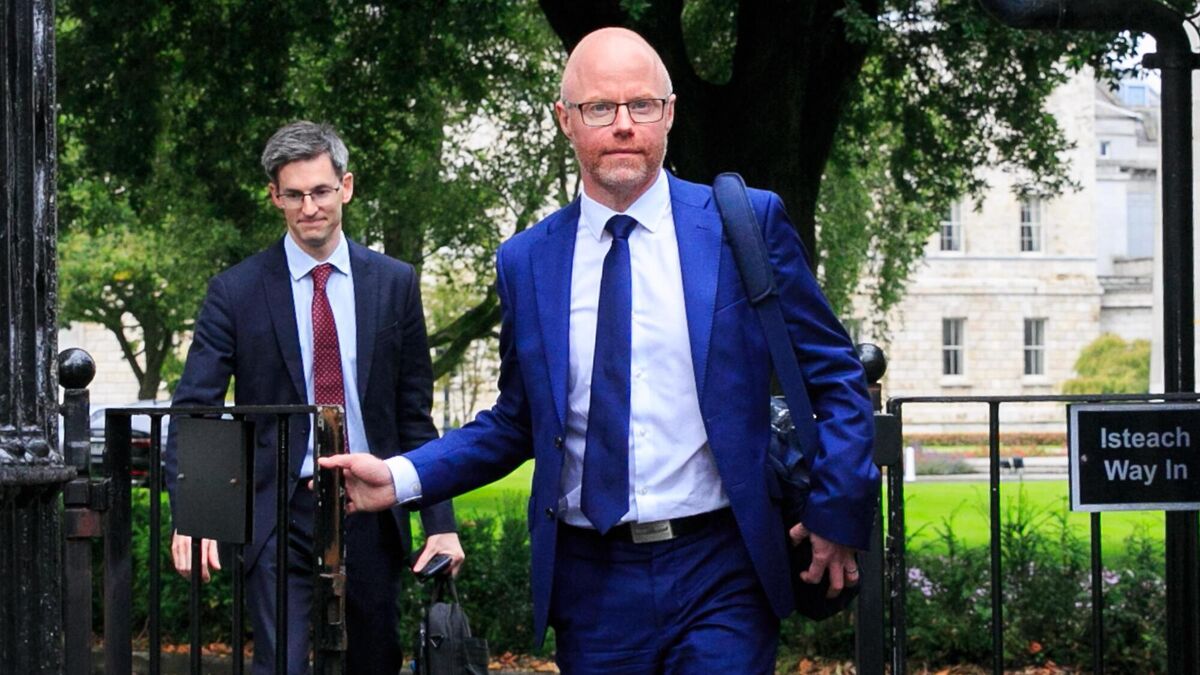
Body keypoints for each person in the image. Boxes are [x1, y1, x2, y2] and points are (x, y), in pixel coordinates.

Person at [320, 27, 878, 673]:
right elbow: (517, 421)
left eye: (642, 104)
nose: (623, 124)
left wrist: (837, 509)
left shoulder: (743, 226)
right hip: (592, 582)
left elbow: (835, 375)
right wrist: (400, 477)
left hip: (723, 566)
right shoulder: (528, 261)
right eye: (599, 107)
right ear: (565, 119)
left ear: (669, 113)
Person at [164, 121, 464, 675]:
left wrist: (439, 522)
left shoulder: (394, 283)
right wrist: (193, 512)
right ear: (274, 196)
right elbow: (196, 407)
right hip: (278, 512)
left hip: (371, 503)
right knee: (281, 663)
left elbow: (413, 416)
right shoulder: (236, 291)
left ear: (345, 187)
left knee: (373, 661)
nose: (309, 207)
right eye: (294, 194)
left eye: (321, 191)